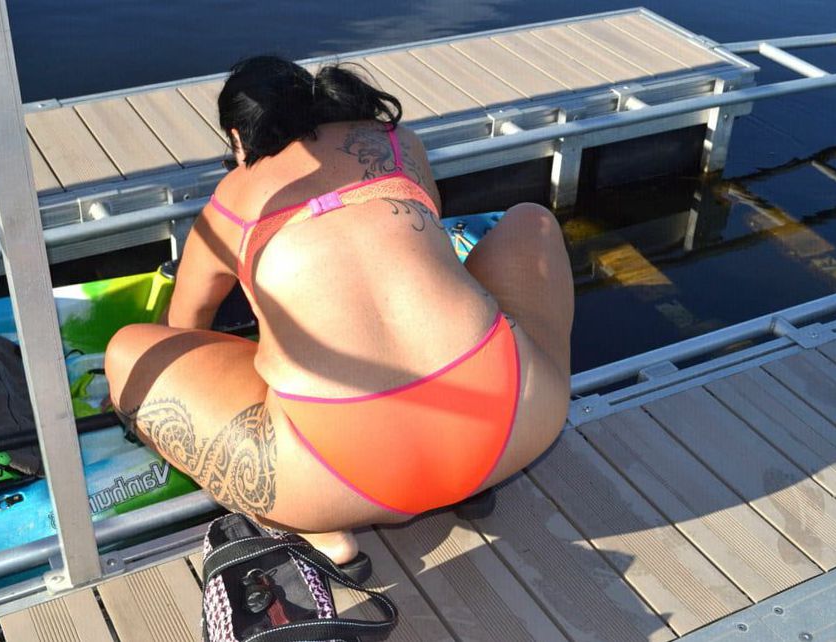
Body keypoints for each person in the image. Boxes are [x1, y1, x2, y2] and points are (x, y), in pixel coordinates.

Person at [104, 55, 573, 568]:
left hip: (334, 479)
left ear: (238, 138)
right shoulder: (398, 143)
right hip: (516, 424)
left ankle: (316, 529)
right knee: (532, 221)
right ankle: (470, 484)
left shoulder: (230, 201)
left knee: (130, 352)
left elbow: (185, 326)